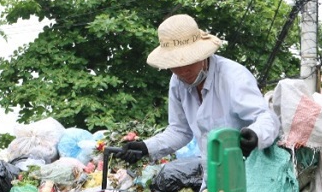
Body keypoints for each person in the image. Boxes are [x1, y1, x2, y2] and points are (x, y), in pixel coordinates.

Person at [119, 14, 280, 179]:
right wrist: (146, 147)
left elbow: (267, 118)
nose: (182, 71)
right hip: (212, 175)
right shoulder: (177, 82)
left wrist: (255, 135)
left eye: (188, 62)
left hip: (249, 175)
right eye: (175, 65)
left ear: (202, 55)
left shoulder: (233, 77)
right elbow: (180, 130)